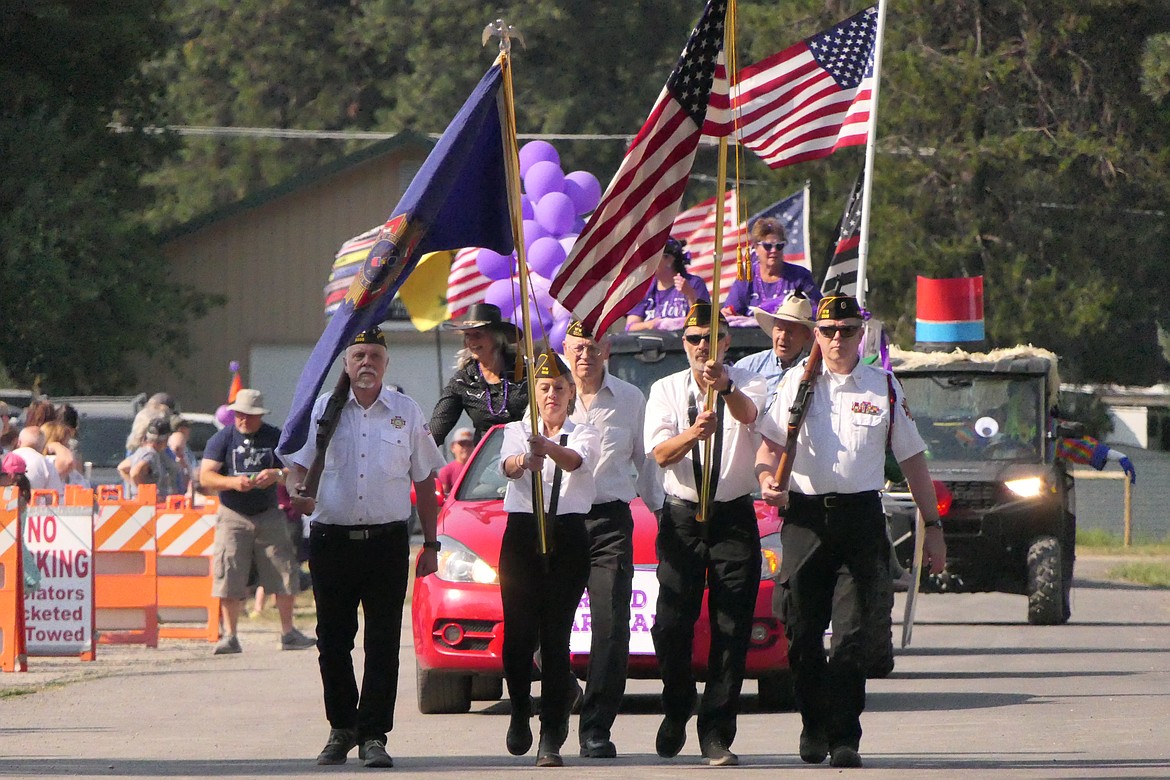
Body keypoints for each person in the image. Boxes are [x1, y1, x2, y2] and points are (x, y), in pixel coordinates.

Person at [755, 293, 947, 769]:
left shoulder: (882, 387)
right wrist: (766, 482)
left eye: (846, 330)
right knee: (800, 633)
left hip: (860, 520)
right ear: (815, 335)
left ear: (861, 334)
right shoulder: (797, 386)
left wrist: (934, 525)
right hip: (804, 519)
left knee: (850, 637)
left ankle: (844, 737)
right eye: (828, 331)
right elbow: (768, 448)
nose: (837, 339)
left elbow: (912, 460)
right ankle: (812, 725)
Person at [286, 327, 444, 770]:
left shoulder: (406, 412)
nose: (367, 363)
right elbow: (295, 471)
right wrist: (298, 493)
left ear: (387, 362)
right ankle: (342, 728)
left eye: (375, 354)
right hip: (332, 541)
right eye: (359, 355)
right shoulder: (322, 411)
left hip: (387, 544)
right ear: (345, 363)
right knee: (333, 641)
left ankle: (374, 734)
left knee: (382, 643)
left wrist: (431, 543)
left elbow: (426, 479)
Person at [643, 303, 773, 767]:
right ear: (684, 343)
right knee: (671, 623)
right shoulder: (665, 389)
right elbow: (660, 454)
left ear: (726, 342)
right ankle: (677, 705)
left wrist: (726, 388)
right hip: (682, 513)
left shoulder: (747, 380)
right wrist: (693, 434)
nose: (703, 347)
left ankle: (716, 729)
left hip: (732, 515)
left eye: (711, 338)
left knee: (731, 626)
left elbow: (752, 414)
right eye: (695, 338)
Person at [562, 320, 661, 759]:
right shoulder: (548, 394)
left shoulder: (631, 400)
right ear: (564, 349)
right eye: (577, 347)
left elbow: (647, 463)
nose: (585, 355)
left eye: (592, 346)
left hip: (609, 523)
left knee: (610, 626)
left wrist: (662, 514)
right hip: (558, 521)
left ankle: (596, 728)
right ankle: (565, 690)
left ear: (607, 348)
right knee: (545, 626)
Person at [498, 350, 599, 768]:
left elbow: (576, 461)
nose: (553, 394)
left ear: (572, 392)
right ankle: (521, 705)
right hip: (522, 532)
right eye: (544, 388)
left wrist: (551, 449)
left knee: (556, 637)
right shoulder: (516, 429)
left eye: (560, 387)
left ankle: (552, 732)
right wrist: (526, 458)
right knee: (519, 636)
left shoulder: (584, 430)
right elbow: (506, 466)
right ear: (534, 394)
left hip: (567, 534)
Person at [200, 388, 314, 656]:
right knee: (229, 572)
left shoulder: (273, 436)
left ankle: (288, 632)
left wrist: (276, 474)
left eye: (249, 416)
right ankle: (230, 635)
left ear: (259, 415)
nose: (243, 420)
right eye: (239, 414)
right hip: (233, 514)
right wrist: (232, 483)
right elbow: (205, 476)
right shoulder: (223, 438)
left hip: (268, 512)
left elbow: (297, 471)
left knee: (283, 568)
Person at [430, 303, 528, 446]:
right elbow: (437, 428)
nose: (472, 341)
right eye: (468, 336)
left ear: (496, 337)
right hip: (487, 461)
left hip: (527, 454)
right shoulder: (463, 381)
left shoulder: (526, 371)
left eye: (478, 335)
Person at [721, 217, 820, 317]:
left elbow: (818, 310)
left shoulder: (800, 276)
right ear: (755, 247)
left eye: (779, 246)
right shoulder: (746, 277)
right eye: (767, 246)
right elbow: (731, 312)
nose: (774, 250)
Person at [734, 292, 815, 410]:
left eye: (790, 332)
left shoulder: (815, 370)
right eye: (779, 329)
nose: (783, 337)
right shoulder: (746, 367)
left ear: (806, 335)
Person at [625, 237, 710, 331]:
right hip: (652, 343)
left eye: (652, 258)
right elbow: (630, 327)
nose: (646, 263)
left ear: (670, 259)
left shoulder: (694, 283)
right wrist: (651, 325)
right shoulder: (644, 289)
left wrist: (690, 295)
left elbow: (703, 322)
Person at [118, 418, 174, 499]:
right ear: (166, 438)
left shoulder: (141, 451)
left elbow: (122, 467)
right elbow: (134, 473)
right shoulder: (150, 454)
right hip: (148, 505)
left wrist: (135, 486)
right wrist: (147, 494)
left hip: (140, 503)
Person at [12, 427, 64, 493]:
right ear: (43, 446)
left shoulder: (6, 458)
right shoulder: (46, 464)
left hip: (5, 501)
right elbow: (55, 495)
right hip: (33, 502)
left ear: (19, 442)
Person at [436, 427, 475, 498]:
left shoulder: (480, 469)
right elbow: (442, 497)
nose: (465, 448)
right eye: (462, 444)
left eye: (469, 444)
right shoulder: (447, 471)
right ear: (453, 447)